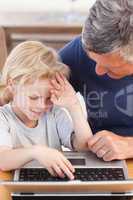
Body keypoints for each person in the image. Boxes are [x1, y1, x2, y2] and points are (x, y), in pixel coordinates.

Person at [0, 41, 92, 179]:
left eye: (48, 98)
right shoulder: (3, 118)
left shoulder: (54, 113)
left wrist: (74, 106)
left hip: (53, 185)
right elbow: (3, 160)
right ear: (12, 85)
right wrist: (37, 152)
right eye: (33, 97)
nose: (42, 106)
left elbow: (84, 146)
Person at [59, 0, 133, 162]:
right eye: (93, 60)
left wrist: (129, 146)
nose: (98, 71)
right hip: (100, 162)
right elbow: (28, 87)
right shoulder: (81, 50)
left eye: (109, 67)